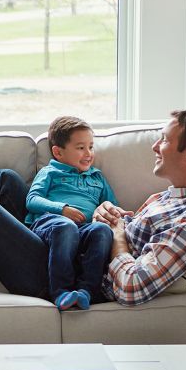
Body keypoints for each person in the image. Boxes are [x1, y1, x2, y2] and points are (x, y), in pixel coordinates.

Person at [93, 110, 186, 306]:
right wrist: (107, 214)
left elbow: (132, 288)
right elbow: (129, 233)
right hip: (77, 252)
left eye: (164, 140)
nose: (155, 146)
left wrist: (117, 237)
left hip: (82, 280)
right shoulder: (171, 197)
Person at [25, 116, 116, 311]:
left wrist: (116, 213)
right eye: (81, 148)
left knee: (102, 230)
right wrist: (62, 209)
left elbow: (110, 205)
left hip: (84, 229)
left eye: (91, 147)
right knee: (65, 226)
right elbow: (32, 200)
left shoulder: (97, 177)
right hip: (51, 225)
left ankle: (87, 291)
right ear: (58, 152)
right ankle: (61, 291)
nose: (88, 153)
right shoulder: (50, 172)